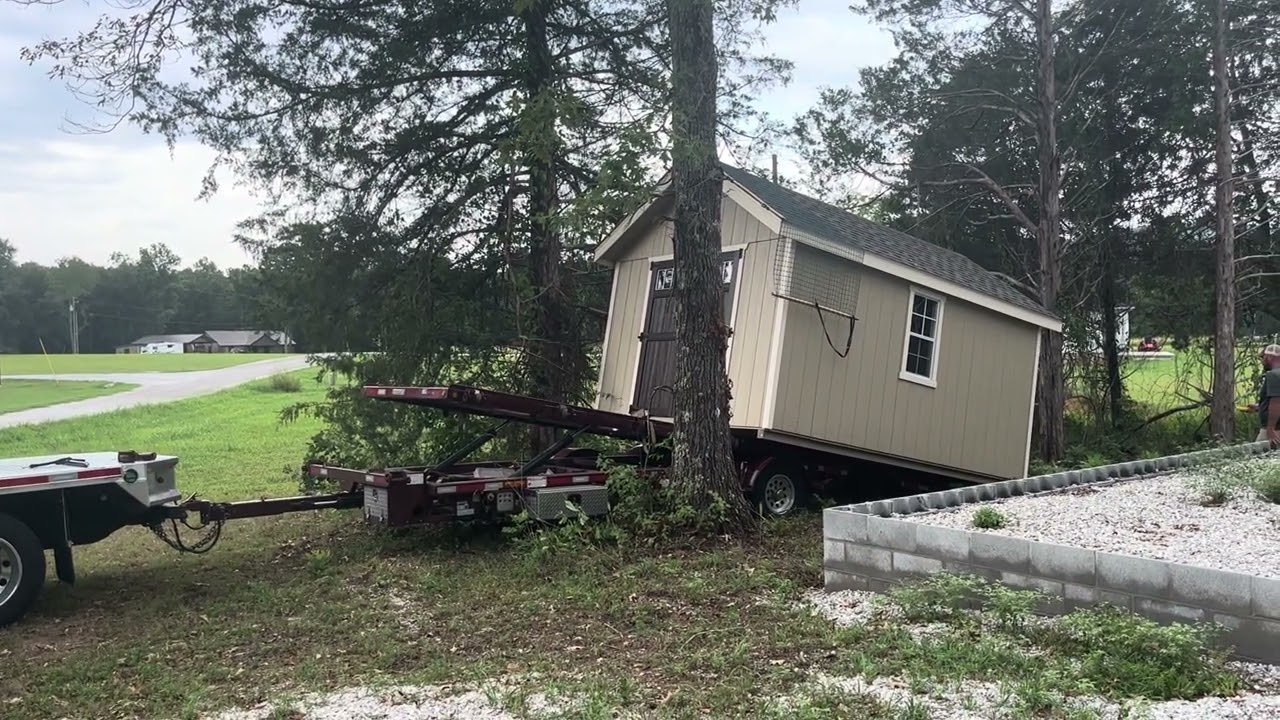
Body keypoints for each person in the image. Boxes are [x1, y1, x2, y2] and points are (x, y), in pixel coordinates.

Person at [1247, 344, 1280, 446]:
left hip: (1274, 429)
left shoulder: (1273, 375)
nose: (1262, 361)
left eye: (1263, 357)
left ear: (1269, 357)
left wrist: (1270, 428)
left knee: (1258, 454)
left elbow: (1276, 402)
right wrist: (1260, 407)